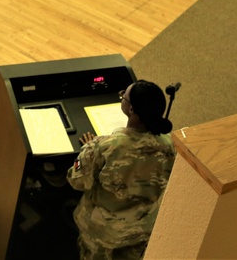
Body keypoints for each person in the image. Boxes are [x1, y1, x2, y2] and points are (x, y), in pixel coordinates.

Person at [66, 80, 175, 260]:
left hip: (103, 232)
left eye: (123, 95)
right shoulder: (170, 145)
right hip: (142, 228)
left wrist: (88, 149)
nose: (121, 95)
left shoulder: (106, 146)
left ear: (131, 110)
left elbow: (76, 180)